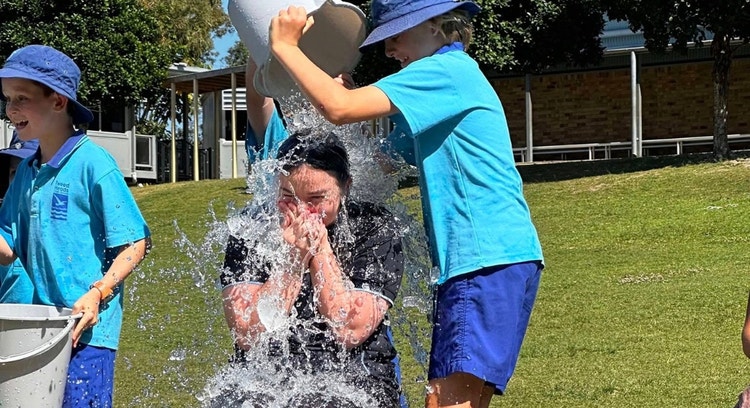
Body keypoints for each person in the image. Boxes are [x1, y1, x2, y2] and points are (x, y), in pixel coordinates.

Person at [268, 1, 545, 407]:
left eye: (396, 35)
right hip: (495, 260)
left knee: (446, 403)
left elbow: (338, 108)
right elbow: (376, 163)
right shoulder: (447, 87)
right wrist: (349, 115)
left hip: (482, 260)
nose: (389, 49)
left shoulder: (445, 71)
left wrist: (286, 48)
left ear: (436, 25)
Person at [0, 44, 151, 407]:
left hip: (91, 332)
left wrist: (98, 293)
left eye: (22, 97)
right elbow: (8, 250)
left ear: (58, 101)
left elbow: (135, 242)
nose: (10, 109)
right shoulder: (26, 172)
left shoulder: (93, 163)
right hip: (41, 328)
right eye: (7, 99)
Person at [220, 131, 405, 407]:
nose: (303, 211)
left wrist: (319, 249)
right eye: (288, 196)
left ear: (345, 188)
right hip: (265, 379)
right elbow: (248, 334)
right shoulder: (250, 229)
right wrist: (293, 259)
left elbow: (350, 328)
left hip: (356, 380)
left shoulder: (375, 227)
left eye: (316, 199)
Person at [0, 131, 37, 303]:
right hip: (10, 326)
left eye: (28, 170)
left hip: (55, 324)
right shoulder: (4, 224)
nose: (19, 180)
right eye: (15, 172)